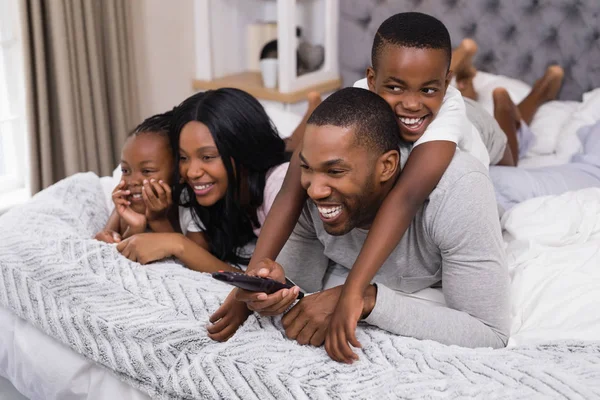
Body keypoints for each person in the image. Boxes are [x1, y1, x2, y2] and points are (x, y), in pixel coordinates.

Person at [208, 12, 493, 349]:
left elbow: (405, 197)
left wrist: (356, 295)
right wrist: (256, 283)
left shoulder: (453, 160)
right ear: (372, 80)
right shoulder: (332, 140)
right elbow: (291, 192)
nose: (315, 188)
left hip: (480, 129)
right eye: (395, 86)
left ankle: (488, 91)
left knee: (509, 145)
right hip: (393, 119)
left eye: (335, 171)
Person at [236, 88, 510, 361]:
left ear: (387, 166)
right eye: (307, 168)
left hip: (476, 125)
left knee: (511, 155)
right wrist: (276, 291)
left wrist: (366, 299)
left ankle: (498, 98)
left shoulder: (459, 191)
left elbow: (490, 333)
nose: (315, 190)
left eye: (335, 171)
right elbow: (300, 287)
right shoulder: (308, 193)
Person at [116, 89, 288, 280]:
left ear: (243, 150)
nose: (191, 172)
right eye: (183, 158)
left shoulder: (279, 186)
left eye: (207, 157)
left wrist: (177, 243)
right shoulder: (213, 195)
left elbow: (266, 284)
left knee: (291, 146)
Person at [95, 112, 178, 243]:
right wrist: (135, 227)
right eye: (125, 170)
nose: (132, 181)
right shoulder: (126, 200)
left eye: (147, 171)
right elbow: (108, 243)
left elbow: (183, 251)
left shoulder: (186, 210)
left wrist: (158, 220)